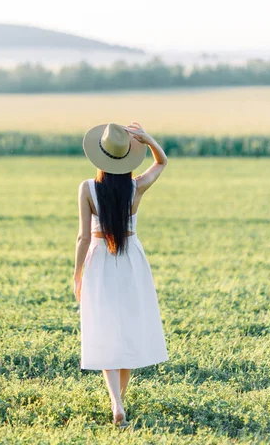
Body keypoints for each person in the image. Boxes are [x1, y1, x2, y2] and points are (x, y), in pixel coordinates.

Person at [73, 121, 169, 428]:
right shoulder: (136, 185)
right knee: (126, 330)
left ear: (99, 156)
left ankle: (116, 402)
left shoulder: (87, 188)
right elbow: (162, 162)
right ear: (127, 156)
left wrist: (77, 273)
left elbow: (83, 238)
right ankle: (120, 401)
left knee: (106, 330)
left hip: (100, 260)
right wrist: (148, 138)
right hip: (131, 261)